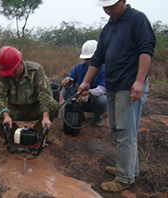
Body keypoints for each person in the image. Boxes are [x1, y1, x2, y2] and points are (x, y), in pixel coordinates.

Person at [78, 0, 156, 192]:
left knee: (125, 132)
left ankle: (124, 178)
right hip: (113, 86)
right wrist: (86, 81)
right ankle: (129, 169)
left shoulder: (137, 20)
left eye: (112, 6)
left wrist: (139, 81)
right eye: (105, 7)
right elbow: (98, 58)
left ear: (123, 1)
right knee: (118, 130)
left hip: (128, 86)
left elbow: (146, 50)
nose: (108, 10)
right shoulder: (109, 27)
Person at [0, 46, 58, 143]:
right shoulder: (4, 74)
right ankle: (12, 136)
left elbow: (45, 93)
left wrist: (45, 117)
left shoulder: (36, 70)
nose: (11, 75)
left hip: (34, 108)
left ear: (20, 63)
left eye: (13, 72)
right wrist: (5, 116)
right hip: (14, 110)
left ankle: (37, 136)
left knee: (53, 105)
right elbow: (0, 96)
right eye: (9, 73)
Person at [61, 40, 107, 127]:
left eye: (89, 59)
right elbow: (71, 80)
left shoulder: (104, 69)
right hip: (80, 100)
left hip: (94, 102)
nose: (87, 61)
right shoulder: (79, 67)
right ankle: (79, 113)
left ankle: (98, 117)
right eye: (86, 59)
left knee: (103, 100)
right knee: (67, 92)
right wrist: (68, 82)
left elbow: (102, 89)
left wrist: (89, 93)